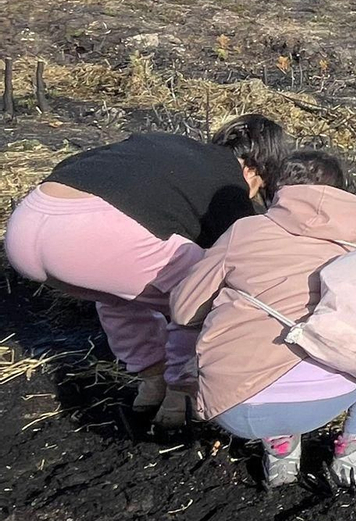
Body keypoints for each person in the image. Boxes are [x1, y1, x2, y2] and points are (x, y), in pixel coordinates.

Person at [4, 115, 288, 429]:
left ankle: (152, 380)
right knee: (200, 290)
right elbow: (223, 268)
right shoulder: (230, 182)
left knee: (118, 295)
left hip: (25, 227)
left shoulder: (170, 148)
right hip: (84, 236)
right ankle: (181, 389)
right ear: (254, 168)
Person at [170, 150, 356, 489]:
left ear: (280, 190)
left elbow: (184, 310)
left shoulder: (244, 231)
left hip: (227, 404)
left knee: (253, 337)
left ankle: (280, 449)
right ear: (342, 193)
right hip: (323, 401)